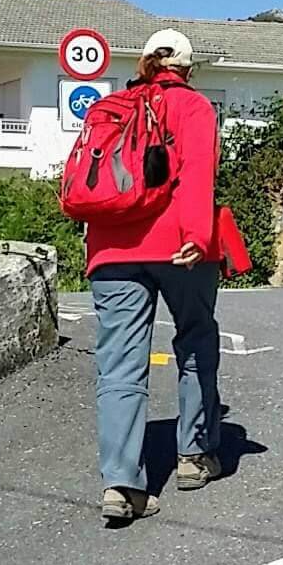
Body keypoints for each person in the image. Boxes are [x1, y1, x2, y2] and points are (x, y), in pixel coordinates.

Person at [87, 28, 223, 523]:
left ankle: (122, 485)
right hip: (179, 246)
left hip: (110, 247)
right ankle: (194, 455)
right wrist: (196, 234)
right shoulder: (194, 107)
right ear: (186, 69)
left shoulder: (113, 107)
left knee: (119, 365)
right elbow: (197, 174)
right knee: (195, 339)